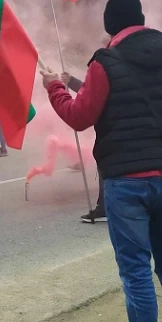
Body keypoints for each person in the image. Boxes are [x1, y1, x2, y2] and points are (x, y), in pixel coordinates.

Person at [41, 0, 162, 321]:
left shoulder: (105, 62)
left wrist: (55, 87)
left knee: (136, 270)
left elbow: (79, 116)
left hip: (126, 181)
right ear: (141, 20)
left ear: (110, 26)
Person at [60, 72, 106, 223]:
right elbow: (92, 91)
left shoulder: (113, 68)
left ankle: (106, 208)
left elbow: (92, 93)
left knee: (110, 170)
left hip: (117, 138)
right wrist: (72, 81)